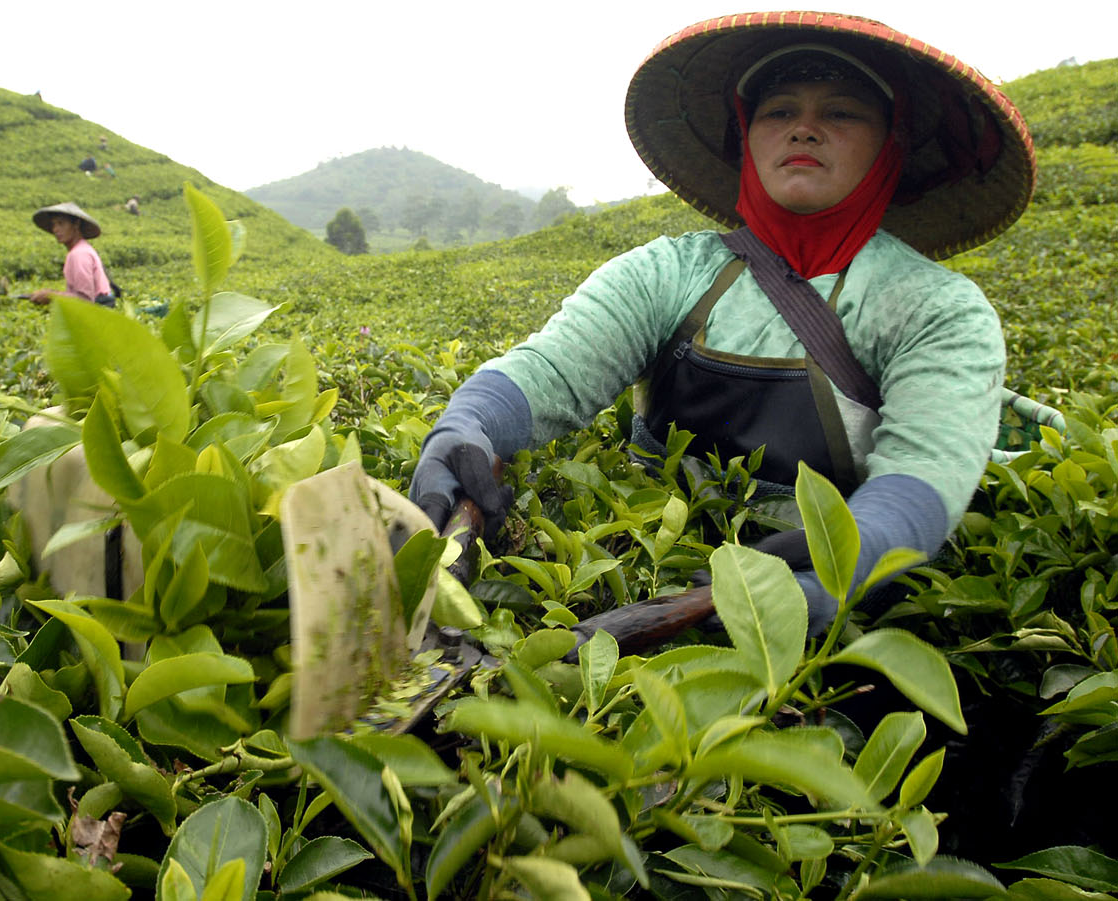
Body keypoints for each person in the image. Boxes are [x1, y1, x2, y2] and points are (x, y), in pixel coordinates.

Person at [409, 11, 1035, 636]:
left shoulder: (936, 309)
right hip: (639, 564)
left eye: (842, 113)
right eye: (779, 111)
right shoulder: (668, 272)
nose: (806, 130)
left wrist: (846, 560)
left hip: (821, 621)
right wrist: (468, 425)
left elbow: (921, 480)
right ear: (748, 136)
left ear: (888, 144)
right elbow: (551, 371)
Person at [28, 202, 116, 307]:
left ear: (76, 224)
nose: (55, 229)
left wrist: (51, 296)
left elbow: (85, 299)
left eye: (61, 223)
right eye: (53, 224)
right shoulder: (82, 249)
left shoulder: (79, 254)